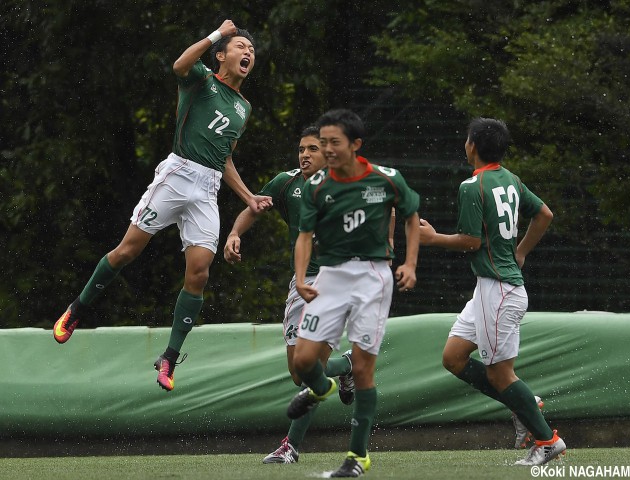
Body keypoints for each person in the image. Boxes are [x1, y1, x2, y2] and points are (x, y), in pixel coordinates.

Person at [53, 20, 272, 392]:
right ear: (221, 55)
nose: (248, 52)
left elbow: (224, 157)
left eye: (251, 49)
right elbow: (178, 65)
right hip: (178, 175)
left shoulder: (244, 107)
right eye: (240, 47)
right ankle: (77, 308)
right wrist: (218, 33)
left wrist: (248, 196)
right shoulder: (201, 79)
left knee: (200, 273)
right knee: (127, 251)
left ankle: (169, 357)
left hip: (207, 188)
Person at [419, 117, 565, 466]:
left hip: (499, 291)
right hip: (491, 288)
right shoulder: (510, 179)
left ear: (472, 145)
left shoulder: (472, 186)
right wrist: (521, 251)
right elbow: (544, 214)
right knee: (453, 357)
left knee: (500, 374)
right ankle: (525, 402)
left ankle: (547, 441)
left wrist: (432, 238)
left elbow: (471, 241)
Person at [286, 109, 420, 477]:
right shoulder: (316, 187)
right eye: (322, 142)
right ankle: (320, 388)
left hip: (372, 277)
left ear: (355, 145)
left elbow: (411, 216)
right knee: (301, 361)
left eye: (334, 142)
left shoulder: (386, 179)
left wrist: (409, 263)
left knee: (363, 369)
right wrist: (300, 277)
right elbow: (303, 236)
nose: (326, 149)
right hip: (329, 276)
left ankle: (357, 457)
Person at [223, 125, 356, 464]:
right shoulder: (287, 183)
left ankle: (291, 446)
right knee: (299, 372)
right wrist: (234, 233)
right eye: (301, 149)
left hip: (335, 283)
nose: (305, 155)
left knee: (310, 364)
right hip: (302, 283)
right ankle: (349, 367)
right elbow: (255, 206)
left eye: (312, 149)